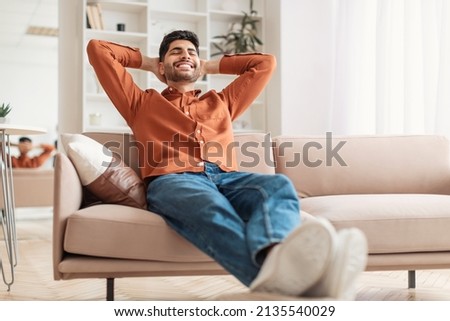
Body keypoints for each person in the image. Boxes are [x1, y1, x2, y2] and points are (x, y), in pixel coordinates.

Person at [86, 30, 368, 299]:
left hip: (226, 179)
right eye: (175, 52)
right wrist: (149, 63)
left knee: (277, 185)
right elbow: (98, 50)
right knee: (210, 206)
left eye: (191, 52)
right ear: (162, 65)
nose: (185, 55)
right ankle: (303, 283)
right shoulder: (139, 103)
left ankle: (278, 265)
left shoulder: (221, 102)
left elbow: (264, 63)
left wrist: (206, 66)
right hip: (174, 179)